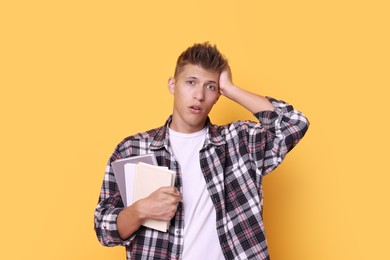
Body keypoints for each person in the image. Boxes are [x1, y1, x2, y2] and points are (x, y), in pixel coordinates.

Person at [94, 42, 309, 260]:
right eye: (191, 82)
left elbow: (294, 124)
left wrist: (230, 89)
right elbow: (103, 229)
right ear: (172, 85)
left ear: (218, 95)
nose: (199, 95)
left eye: (210, 86)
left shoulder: (239, 142)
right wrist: (140, 211)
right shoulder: (132, 149)